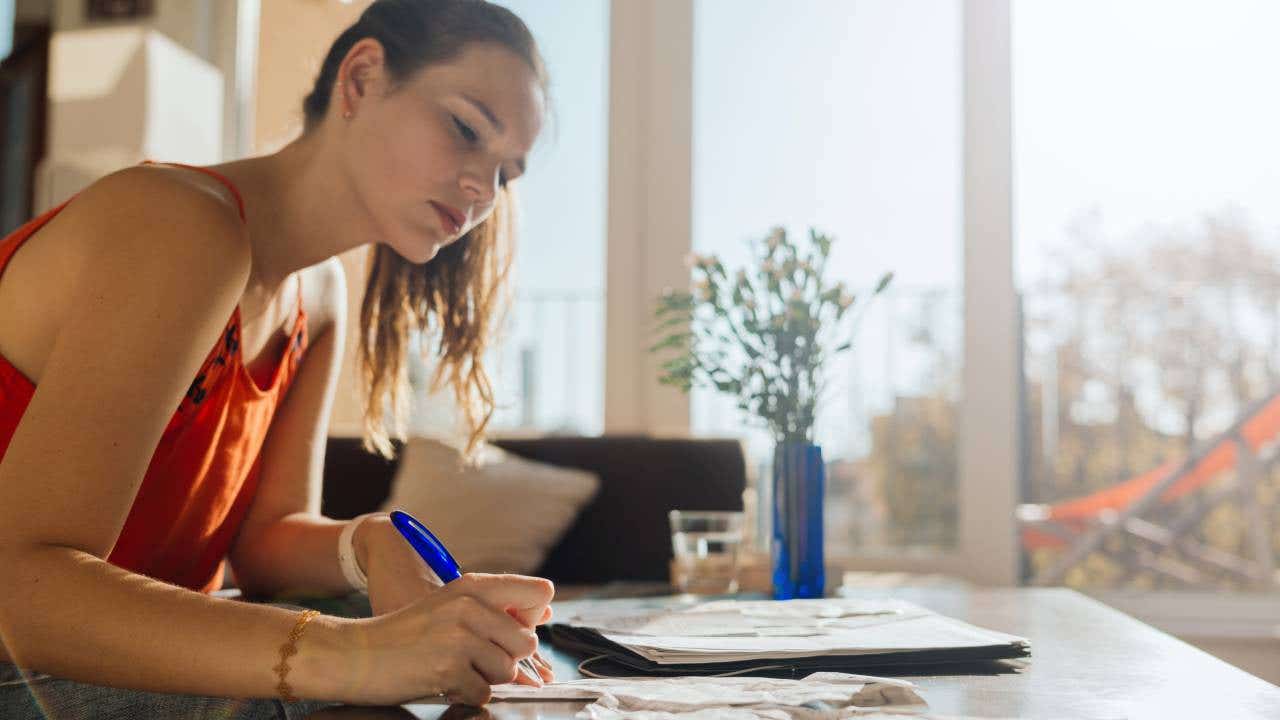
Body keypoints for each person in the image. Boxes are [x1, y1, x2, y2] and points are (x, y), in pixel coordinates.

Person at [0, 0, 556, 715]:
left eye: (506, 173)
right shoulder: (179, 224)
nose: (483, 189)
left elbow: (262, 541)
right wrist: (360, 654)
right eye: (464, 128)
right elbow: (17, 583)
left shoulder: (318, 297)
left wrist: (368, 542)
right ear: (359, 79)